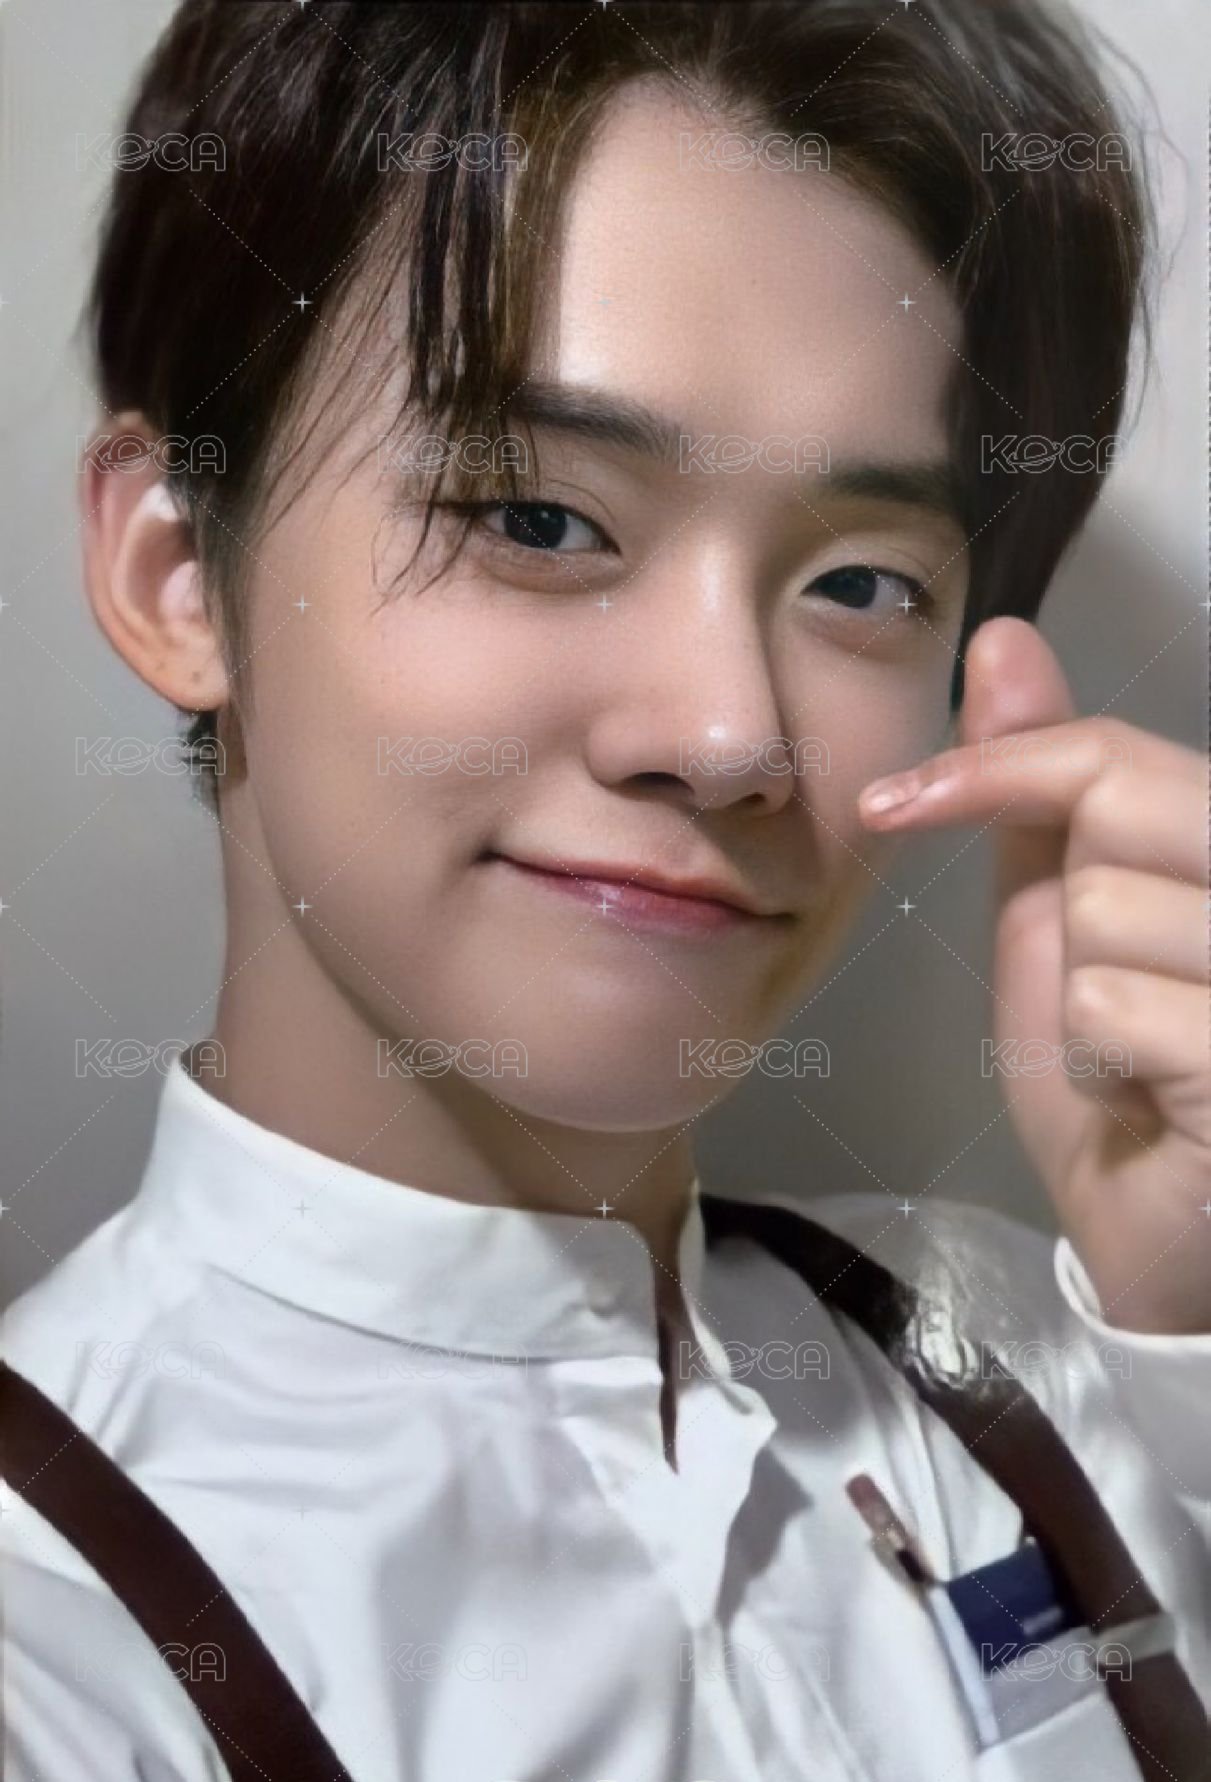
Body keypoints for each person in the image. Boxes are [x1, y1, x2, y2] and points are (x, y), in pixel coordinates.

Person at [2, 2, 1207, 1778]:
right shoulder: (51, 1627)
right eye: (540, 519)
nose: (728, 734)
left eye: (863, 583)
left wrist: (1183, 1317)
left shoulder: (1051, 1367)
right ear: (182, 575)